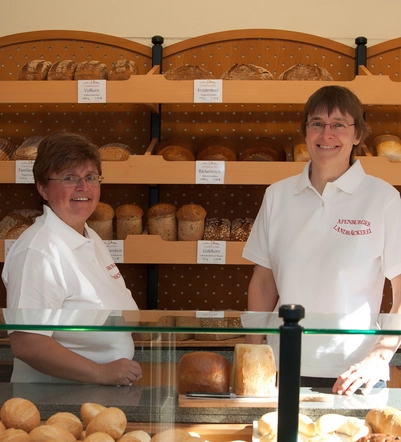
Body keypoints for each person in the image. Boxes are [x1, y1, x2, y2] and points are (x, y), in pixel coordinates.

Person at [243, 85, 401, 395]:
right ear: (305, 132)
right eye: (317, 123)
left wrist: (378, 357)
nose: (326, 134)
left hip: (355, 373)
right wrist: (253, 354)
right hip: (281, 365)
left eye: (339, 125)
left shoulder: (383, 199)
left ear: (357, 135)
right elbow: (263, 283)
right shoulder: (277, 196)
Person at [2, 131, 142, 385]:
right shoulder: (38, 251)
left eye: (90, 177)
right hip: (53, 404)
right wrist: (102, 372)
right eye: (69, 178)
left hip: (93, 397)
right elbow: (27, 343)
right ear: (42, 188)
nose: (83, 187)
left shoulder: (90, 237)